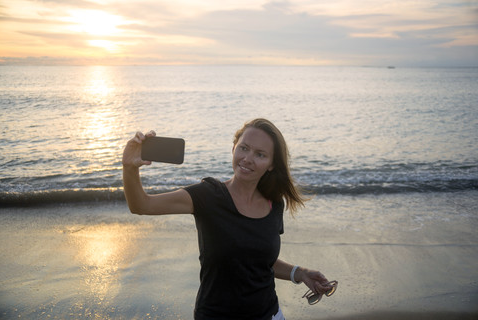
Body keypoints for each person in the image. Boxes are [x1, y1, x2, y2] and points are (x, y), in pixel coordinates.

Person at [122, 118, 334, 320]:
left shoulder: (274, 203)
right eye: (244, 148)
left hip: (270, 314)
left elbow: (258, 260)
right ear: (233, 147)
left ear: (271, 164)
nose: (248, 158)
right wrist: (130, 168)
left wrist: (300, 273)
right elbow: (141, 205)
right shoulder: (208, 196)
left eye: (260, 154)